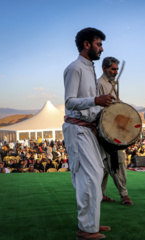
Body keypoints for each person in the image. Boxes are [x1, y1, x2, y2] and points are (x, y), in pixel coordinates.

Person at [62, 27, 114, 240]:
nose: (101, 48)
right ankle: (85, 229)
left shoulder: (89, 68)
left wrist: (106, 106)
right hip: (78, 129)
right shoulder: (75, 68)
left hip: (89, 130)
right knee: (89, 178)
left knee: (95, 175)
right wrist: (96, 101)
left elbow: (91, 106)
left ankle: (91, 223)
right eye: (98, 44)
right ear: (86, 44)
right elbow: (69, 102)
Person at [97, 56, 133, 206]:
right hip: (106, 130)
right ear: (104, 68)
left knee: (107, 164)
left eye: (117, 69)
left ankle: (101, 194)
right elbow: (100, 108)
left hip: (113, 128)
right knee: (114, 162)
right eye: (113, 69)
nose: (115, 72)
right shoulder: (100, 84)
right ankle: (124, 194)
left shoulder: (112, 84)